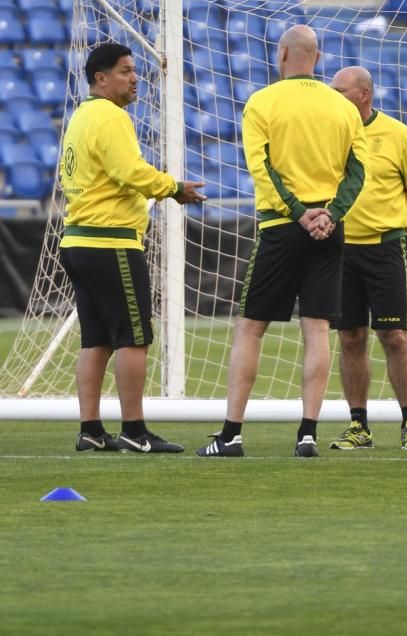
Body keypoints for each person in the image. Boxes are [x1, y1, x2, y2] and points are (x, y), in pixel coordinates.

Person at [196, 25, 369, 458]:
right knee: (317, 330)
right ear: (317, 54)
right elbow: (358, 171)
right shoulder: (343, 106)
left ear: (282, 53)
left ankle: (231, 434)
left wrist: (298, 212)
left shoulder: (262, 101)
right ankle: (307, 432)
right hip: (329, 229)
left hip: (281, 224)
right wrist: (331, 213)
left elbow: (262, 167)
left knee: (251, 328)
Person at [59, 42, 206, 453]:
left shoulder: (81, 117)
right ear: (100, 79)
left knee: (96, 340)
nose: (135, 77)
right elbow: (129, 172)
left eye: (134, 70)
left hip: (77, 240)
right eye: (125, 71)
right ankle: (135, 431)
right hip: (111, 241)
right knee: (134, 338)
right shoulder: (110, 116)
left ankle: (90, 429)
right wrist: (174, 187)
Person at [329, 65, 407, 451]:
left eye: (340, 91)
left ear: (363, 94)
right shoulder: (330, 136)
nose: (332, 97)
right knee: (350, 336)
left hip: (383, 247)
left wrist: (399, 226)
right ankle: (359, 426)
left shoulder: (401, 137)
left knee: (395, 335)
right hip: (339, 249)